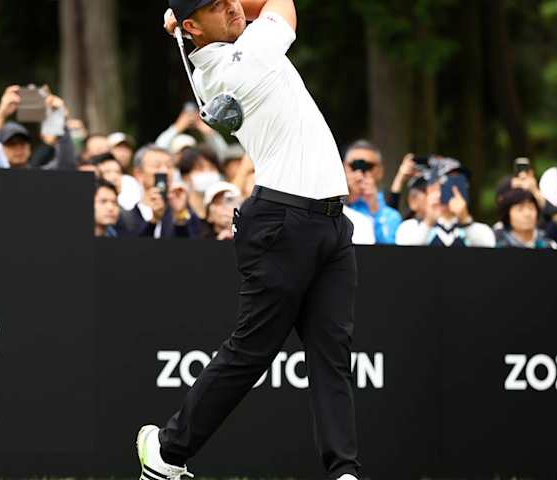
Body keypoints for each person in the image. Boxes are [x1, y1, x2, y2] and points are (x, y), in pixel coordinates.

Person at [139, 2, 360, 480]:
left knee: (332, 354)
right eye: (216, 6)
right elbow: (284, 4)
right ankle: (168, 452)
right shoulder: (242, 59)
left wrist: (188, 21)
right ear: (193, 26)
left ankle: (343, 472)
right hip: (282, 221)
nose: (233, 7)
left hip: (327, 221)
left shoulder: (226, 50)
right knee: (251, 352)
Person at [395, 157, 494, 248]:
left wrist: (465, 220)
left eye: (459, 183)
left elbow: (487, 249)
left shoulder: (479, 229)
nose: (454, 189)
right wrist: (428, 222)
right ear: (431, 188)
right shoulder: (410, 227)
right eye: (447, 183)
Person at [118, 144, 203, 239]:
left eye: (169, 166)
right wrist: (154, 221)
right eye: (156, 166)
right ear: (138, 174)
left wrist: (179, 217)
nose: (164, 171)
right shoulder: (124, 217)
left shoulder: (185, 214)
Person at [343, 140, 403, 244]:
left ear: (380, 171)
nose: (360, 172)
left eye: (368, 166)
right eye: (354, 166)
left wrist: (374, 210)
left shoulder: (390, 216)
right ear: (344, 167)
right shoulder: (330, 206)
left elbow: (389, 251)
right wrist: (347, 198)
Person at [156, 102, 231, 160]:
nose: (191, 119)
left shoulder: (207, 137)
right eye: (187, 115)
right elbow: (158, 150)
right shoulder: (175, 136)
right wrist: (177, 128)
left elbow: (224, 155)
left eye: (194, 114)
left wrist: (210, 133)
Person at [178, 147, 224, 218]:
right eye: (200, 168)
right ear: (185, 177)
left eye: (212, 168)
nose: (207, 173)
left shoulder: (225, 212)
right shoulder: (178, 211)